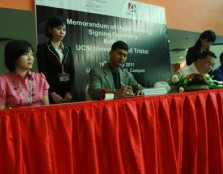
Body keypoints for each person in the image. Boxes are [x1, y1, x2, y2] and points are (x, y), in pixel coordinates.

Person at [0, 40, 49, 110]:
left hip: (39, 119)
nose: (30, 58)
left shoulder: (40, 78)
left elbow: (47, 108)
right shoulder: (3, 81)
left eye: (31, 54)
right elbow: (1, 113)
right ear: (14, 57)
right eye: (26, 54)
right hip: (15, 120)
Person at [36, 15, 75, 104]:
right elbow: (43, 73)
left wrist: (70, 92)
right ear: (50, 30)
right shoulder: (43, 49)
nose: (62, 32)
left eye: (64, 29)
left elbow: (72, 71)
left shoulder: (68, 49)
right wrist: (52, 93)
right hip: (51, 94)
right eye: (58, 28)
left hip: (67, 94)